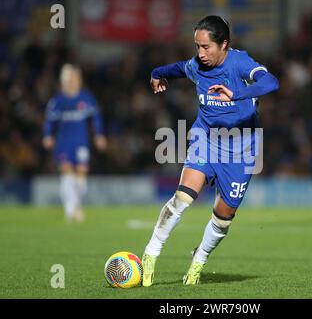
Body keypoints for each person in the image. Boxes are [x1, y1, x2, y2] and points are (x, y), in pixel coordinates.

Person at [141, 15, 279, 286]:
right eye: (197, 46)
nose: (200, 53)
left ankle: (199, 260)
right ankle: (151, 252)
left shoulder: (239, 62)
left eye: (206, 47)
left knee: (224, 217)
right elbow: (178, 68)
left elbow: (271, 82)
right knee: (183, 197)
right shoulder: (197, 66)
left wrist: (237, 93)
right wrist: (157, 73)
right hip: (207, 139)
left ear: (224, 44)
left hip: (242, 148)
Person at [43, 64, 107, 222]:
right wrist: (48, 135)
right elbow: (50, 120)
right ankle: (70, 210)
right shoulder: (58, 100)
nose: (73, 81)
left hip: (81, 142)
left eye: (75, 78)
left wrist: (98, 135)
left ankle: (74, 206)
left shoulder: (86, 98)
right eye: (70, 78)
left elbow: (96, 118)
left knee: (81, 179)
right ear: (63, 80)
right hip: (64, 143)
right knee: (67, 172)